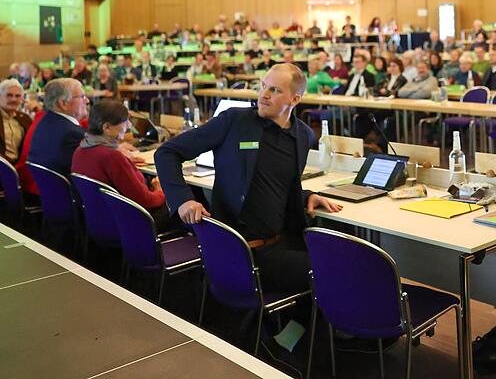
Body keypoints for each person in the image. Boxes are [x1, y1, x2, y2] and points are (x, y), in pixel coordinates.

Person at [156, 64, 342, 296]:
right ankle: (299, 331)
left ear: (295, 99)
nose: (263, 95)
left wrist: (306, 196)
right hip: (243, 250)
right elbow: (166, 153)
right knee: (335, 273)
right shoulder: (234, 121)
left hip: (283, 242)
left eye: (274, 90)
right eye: (263, 86)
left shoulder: (303, 135)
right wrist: (182, 199)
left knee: (345, 262)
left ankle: (293, 331)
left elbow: (276, 182)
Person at [72, 100, 171, 231]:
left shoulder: (81, 150)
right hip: (130, 223)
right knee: (185, 203)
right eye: (124, 121)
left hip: (99, 219)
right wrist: (160, 192)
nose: (129, 126)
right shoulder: (112, 157)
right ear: (106, 127)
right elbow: (145, 201)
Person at [28, 78, 88, 178]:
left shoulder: (45, 122)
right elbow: (88, 174)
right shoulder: (72, 134)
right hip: (69, 192)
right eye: (82, 97)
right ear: (63, 104)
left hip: (46, 191)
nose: (87, 100)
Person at [0, 79, 32, 166]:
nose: (14, 99)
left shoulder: (25, 119)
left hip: (20, 167)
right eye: (9, 95)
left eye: (17, 96)